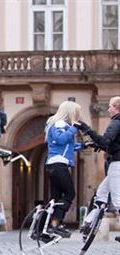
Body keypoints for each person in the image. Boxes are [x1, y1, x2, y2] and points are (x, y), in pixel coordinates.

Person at [74, 96, 120, 242]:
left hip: (117, 164)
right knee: (101, 193)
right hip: (116, 162)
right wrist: (97, 145)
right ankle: (89, 221)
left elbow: (105, 140)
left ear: (117, 107)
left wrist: (86, 129)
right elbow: (110, 144)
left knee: (118, 200)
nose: (108, 109)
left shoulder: (116, 122)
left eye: (111, 106)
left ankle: (89, 221)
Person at [44, 100, 85, 238]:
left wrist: (83, 146)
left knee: (55, 198)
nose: (78, 115)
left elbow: (65, 146)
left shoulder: (59, 124)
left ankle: (45, 227)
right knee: (69, 194)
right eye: (77, 112)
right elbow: (61, 139)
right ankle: (56, 223)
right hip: (58, 164)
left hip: (54, 164)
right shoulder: (60, 123)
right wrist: (74, 128)